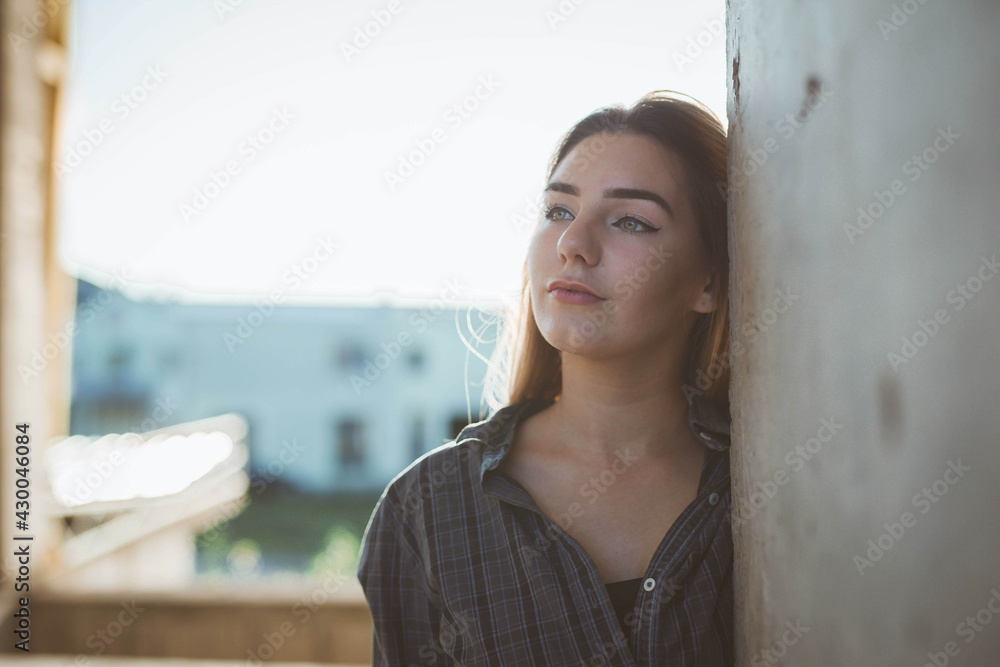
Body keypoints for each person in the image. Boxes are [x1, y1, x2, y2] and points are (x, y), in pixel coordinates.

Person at [357, 90, 733, 666]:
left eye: (631, 220)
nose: (573, 246)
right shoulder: (426, 511)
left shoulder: (758, 491)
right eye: (558, 211)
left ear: (708, 280)